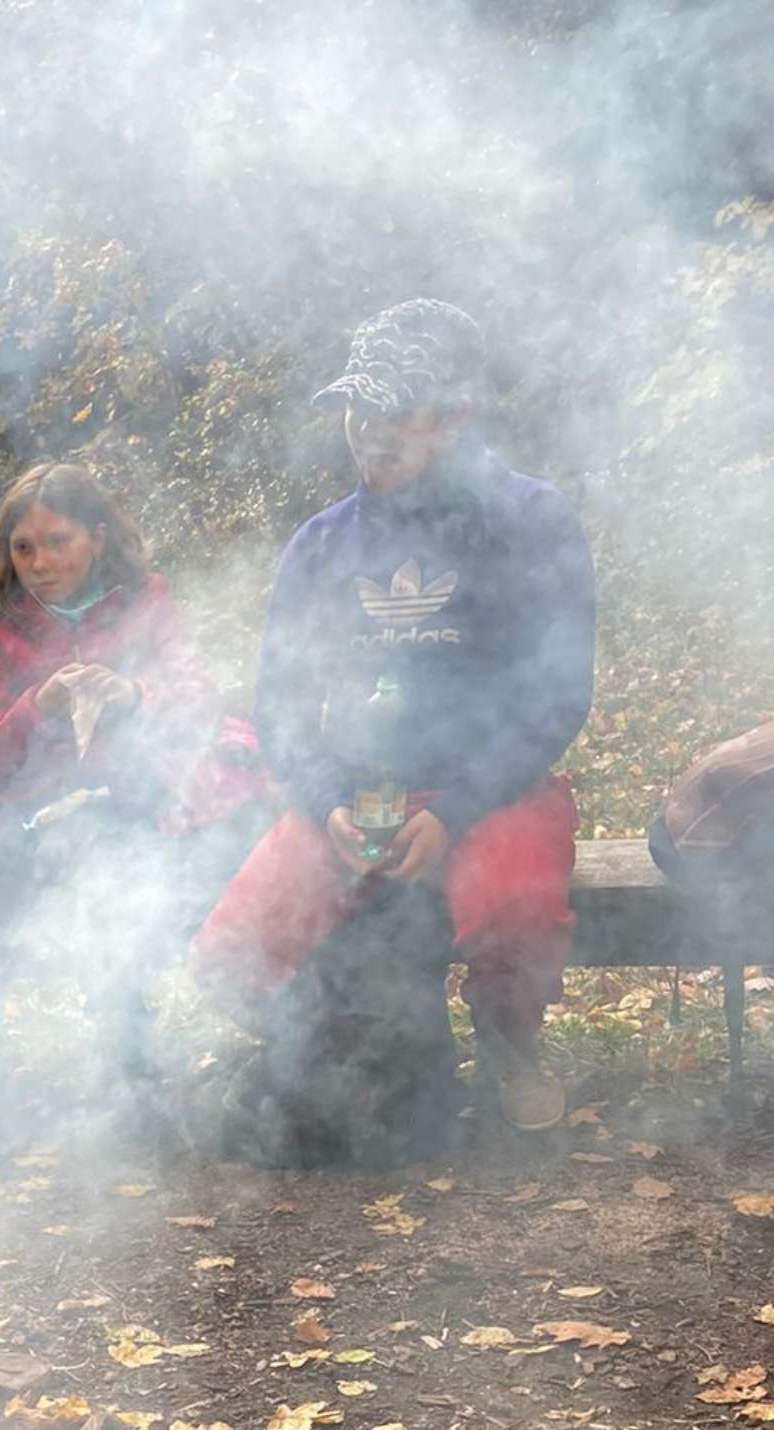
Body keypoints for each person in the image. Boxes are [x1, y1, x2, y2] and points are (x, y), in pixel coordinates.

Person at [193, 300, 595, 1132]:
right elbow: (280, 706)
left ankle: (508, 1044)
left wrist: (454, 812)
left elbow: (556, 694)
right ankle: (305, 1052)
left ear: (457, 415)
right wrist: (327, 804)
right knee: (234, 949)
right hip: (358, 795)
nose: (369, 431)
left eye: (396, 411)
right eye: (358, 407)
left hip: (496, 789)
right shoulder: (321, 545)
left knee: (514, 908)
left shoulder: (530, 522)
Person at [0, 460, 269, 1040]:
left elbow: (198, 706)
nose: (39, 564)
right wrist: (38, 706)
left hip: (126, 789)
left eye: (58, 542)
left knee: (125, 854)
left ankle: (125, 1041)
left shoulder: (145, 599)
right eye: (23, 548)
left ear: (96, 539)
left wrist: (134, 696)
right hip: (19, 804)